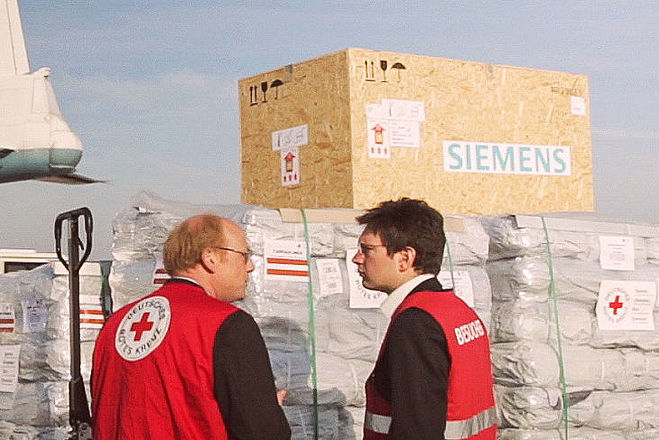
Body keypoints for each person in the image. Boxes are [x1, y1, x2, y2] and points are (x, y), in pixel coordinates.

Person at [91, 214, 291, 440]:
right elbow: (261, 432)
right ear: (210, 258)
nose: (250, 267)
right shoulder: (227, 325)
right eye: (244, 255)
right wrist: (267, 414)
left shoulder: (115, 325)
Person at [353, 198, 497, 440]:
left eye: (367, 249)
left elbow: (417, 431)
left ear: (405, 258)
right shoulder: (457, 310)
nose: (357, 258)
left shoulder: (416, 325)